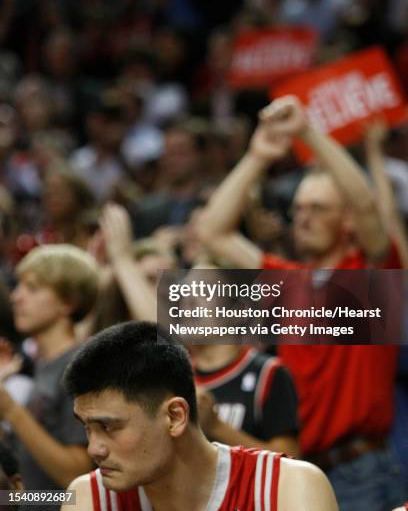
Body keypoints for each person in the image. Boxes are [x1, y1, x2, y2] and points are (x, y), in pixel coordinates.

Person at [196, 95, 407, 510]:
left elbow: (366, 205)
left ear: (346, 222)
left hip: (361, 468)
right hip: (300, 468)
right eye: (298, 209)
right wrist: (258, 156)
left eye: (317, 208)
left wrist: (307, 131)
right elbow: (213, 231)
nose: (302, 218)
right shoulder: (287, 281)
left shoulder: (371, 277)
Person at [62, 321, 338, 511]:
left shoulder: (286, 487)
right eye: (87, 427)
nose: (93, 449)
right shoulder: (89, 498)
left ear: (175, 416)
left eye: (108, 427)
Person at [0, 244, 99, 509]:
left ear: (68, 302)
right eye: (19, 286)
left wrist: (11, 410)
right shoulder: (43, 366)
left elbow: (77, 481)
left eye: (31, 288)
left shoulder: (82, 365)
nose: (16, 297)